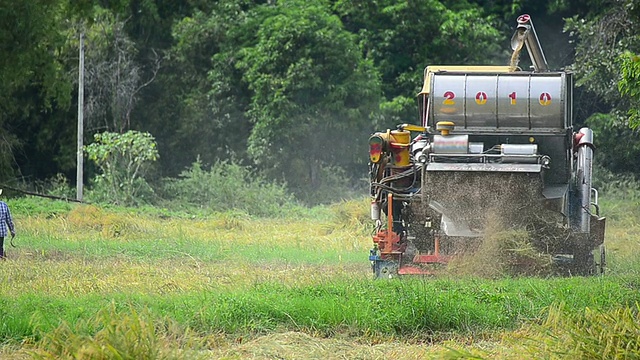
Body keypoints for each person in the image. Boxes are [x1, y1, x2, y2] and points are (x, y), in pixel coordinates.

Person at [0, 189, 15, 259]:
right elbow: (9, 220)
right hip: (1, 231)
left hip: (1, 231)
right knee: (1, 246)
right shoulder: (4, 205)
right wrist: (12, 230)